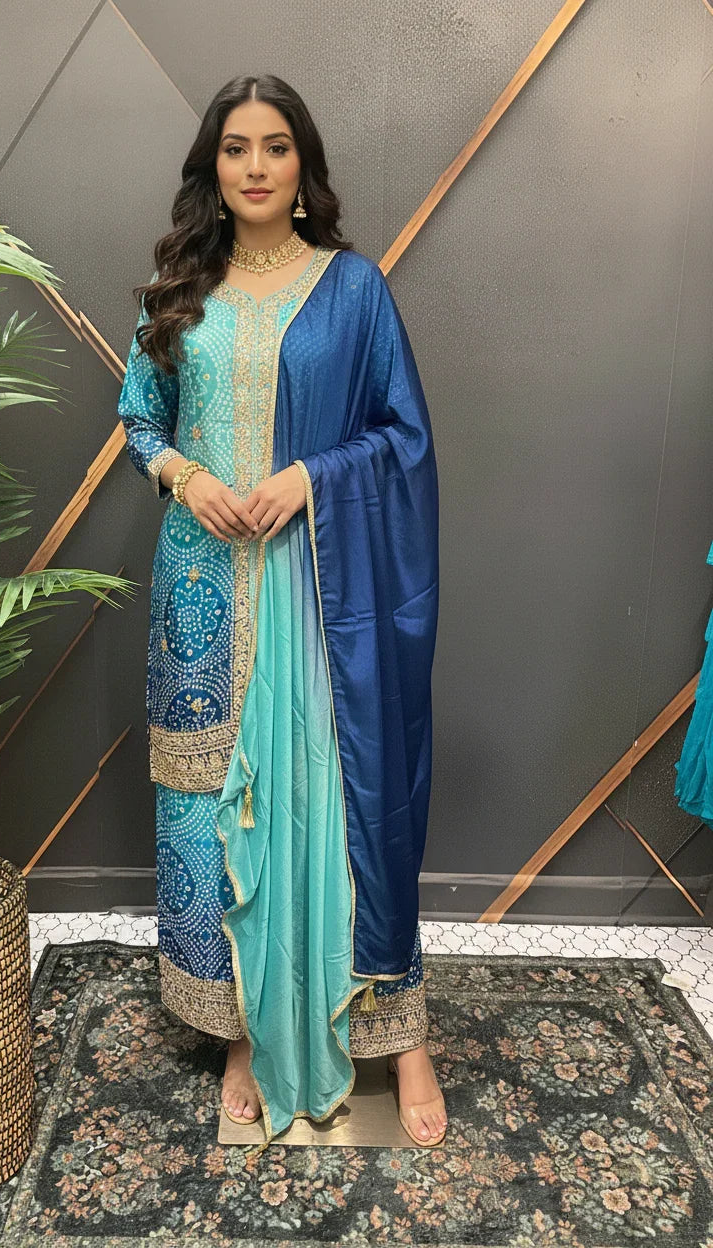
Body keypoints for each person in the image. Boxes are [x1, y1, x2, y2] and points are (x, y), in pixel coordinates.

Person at [117, 74, 445, 1151]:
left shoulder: (350, 290)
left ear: (303, 168)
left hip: (321, 594)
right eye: (233, 148)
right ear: (211, 166)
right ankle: (244, 1032)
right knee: (218, 810)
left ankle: (397, 1032)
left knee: (336, 804)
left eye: (275, 147)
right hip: (203, 590)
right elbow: (139, 421)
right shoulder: (178, 286)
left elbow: (402, 435)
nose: (254, 166)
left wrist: (311, 477)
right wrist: (180, 476)